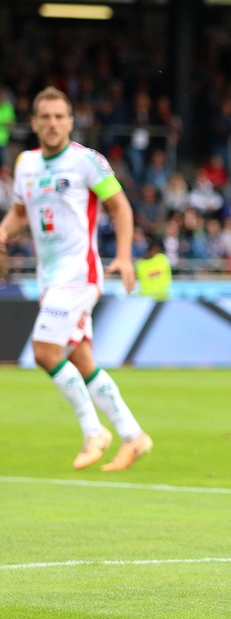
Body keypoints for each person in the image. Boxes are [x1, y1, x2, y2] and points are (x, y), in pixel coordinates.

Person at [0, 87, 153, 471]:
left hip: (80, 272)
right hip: (49, 276)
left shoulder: (86, 161)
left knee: (44, 351)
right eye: (45, 117)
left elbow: (119, 207)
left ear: (71, 121)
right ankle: (133, 436)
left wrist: (123, 256)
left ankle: (93, 431)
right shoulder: (26, 165)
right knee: (82, 358)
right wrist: (3, 232)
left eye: (60, 116)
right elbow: (20, 214)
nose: (53, 124)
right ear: (33, 123)